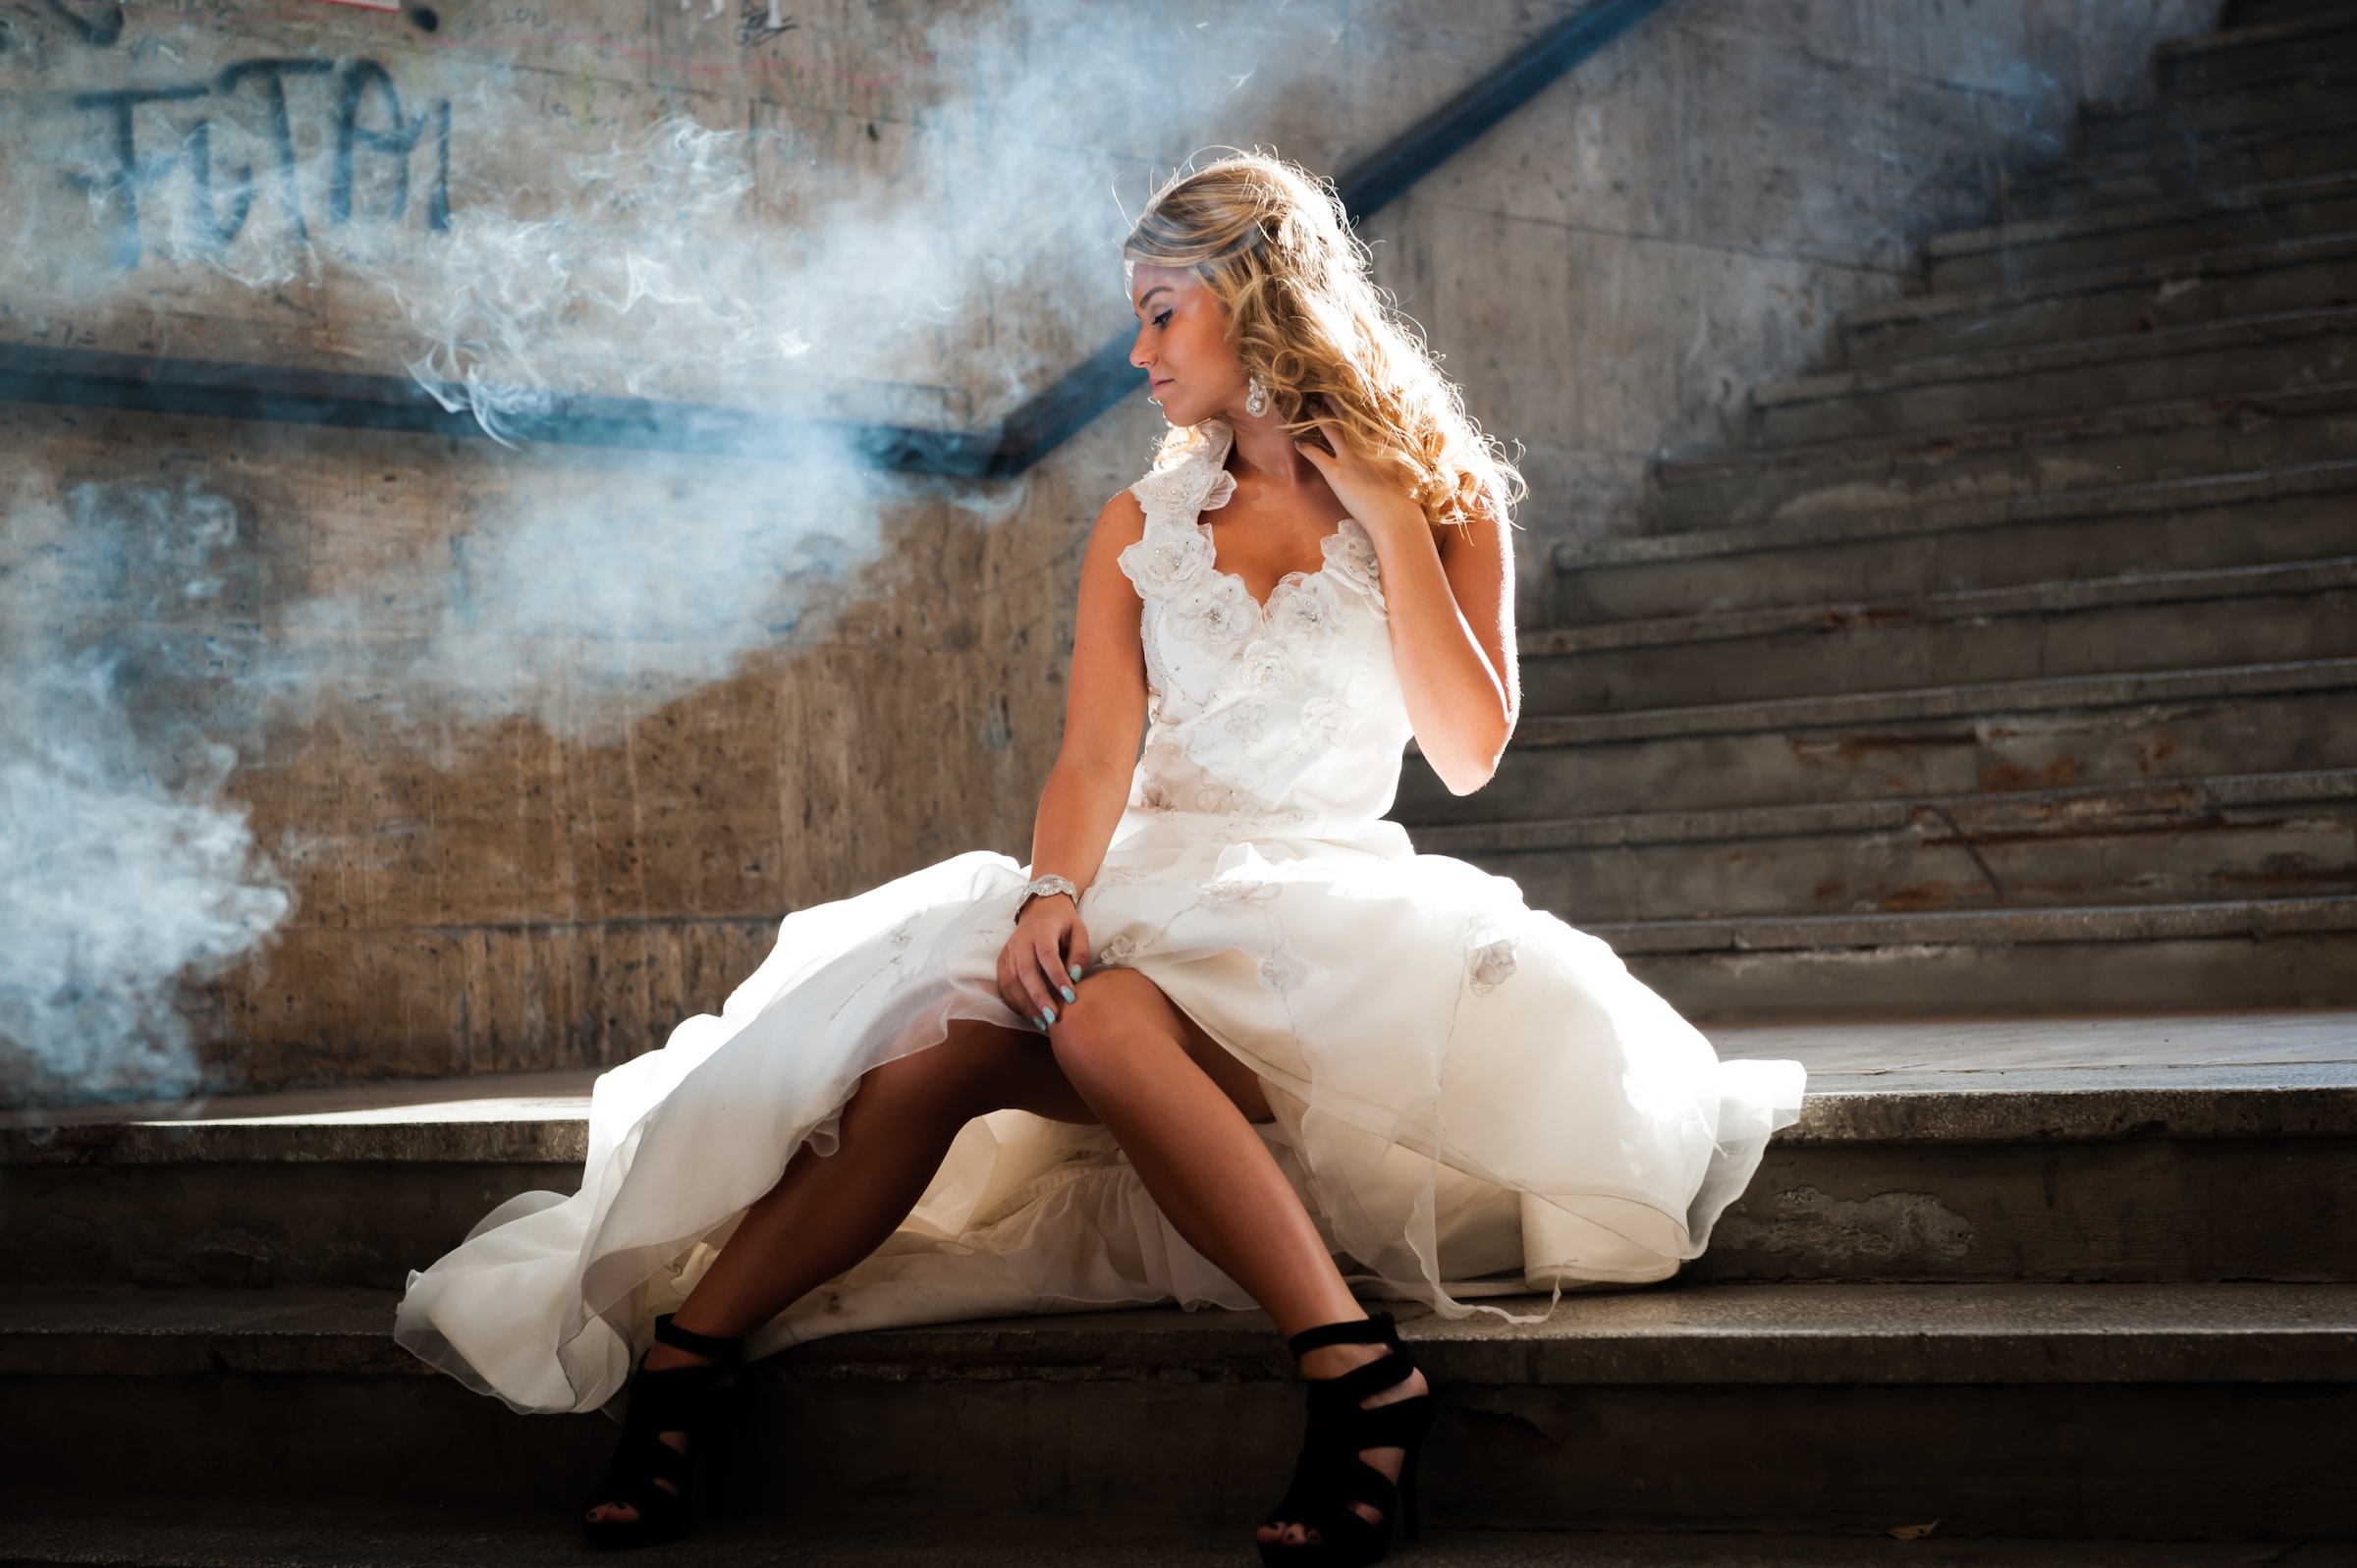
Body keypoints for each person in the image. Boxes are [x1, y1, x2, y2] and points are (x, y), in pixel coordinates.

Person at [396, 152, 1804, 1565]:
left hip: (1323, 926)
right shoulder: (1139, 527)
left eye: (1161, 314)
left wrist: (1381, 511)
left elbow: (1470, 749)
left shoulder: (1440, 502)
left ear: (1255, 308)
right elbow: (1090, 759)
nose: (1136, 352)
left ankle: (1358, 1378)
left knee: (1107, 1012)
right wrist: (1051, 893)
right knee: (918, 1052)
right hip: (1140, 890)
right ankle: (688, 1375)